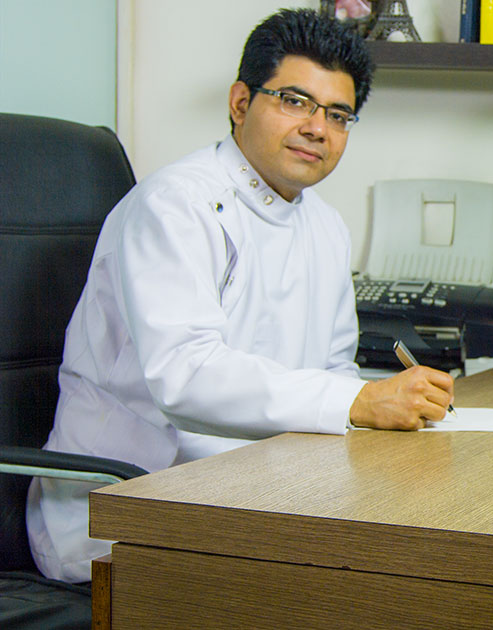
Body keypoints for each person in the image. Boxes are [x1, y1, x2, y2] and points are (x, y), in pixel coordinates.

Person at [27, 8, 454, 584]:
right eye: (295, 101)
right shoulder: (175, 204)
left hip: (252, 491)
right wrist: (356, 402)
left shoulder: (325, 224)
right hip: (120, 510)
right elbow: (186, 376)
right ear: (240, 103)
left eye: (337, 114)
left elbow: (333, 369)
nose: (317, 128)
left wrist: (380, 405)